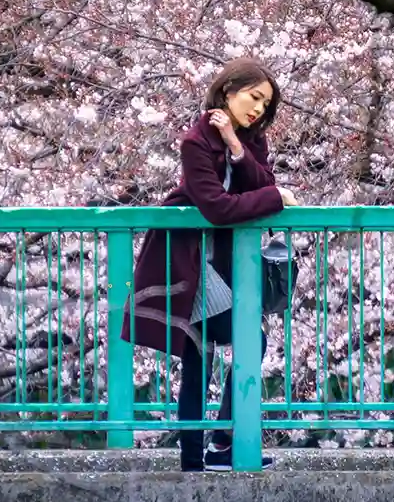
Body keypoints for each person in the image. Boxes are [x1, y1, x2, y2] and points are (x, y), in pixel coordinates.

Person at [121, 55, 300, 472]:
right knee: (212, 351)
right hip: (187, 265)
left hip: (219, 265)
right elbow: (218, 208)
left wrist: (237, 147)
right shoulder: (195, 142)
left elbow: (260, 182)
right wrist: (275, 199)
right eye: (253, 97)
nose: (258, 109)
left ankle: (210, 451)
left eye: (265, 104)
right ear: (227, 91)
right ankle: (208, 451)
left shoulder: (250, 140)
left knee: (212, 349)